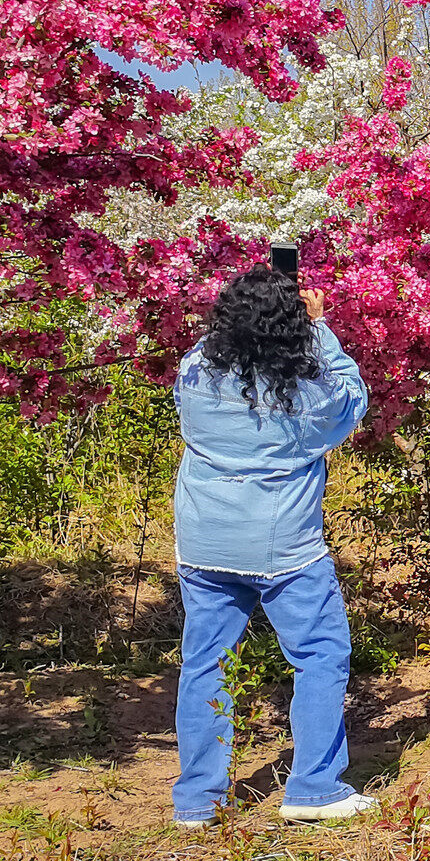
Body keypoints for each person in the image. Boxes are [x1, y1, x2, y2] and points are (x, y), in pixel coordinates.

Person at [170, 267, 373, 829]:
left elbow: (207, 351)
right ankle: (313, 787)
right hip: (286, 549)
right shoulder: (308, 399)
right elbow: (352, 397)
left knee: (204, 664)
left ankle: (198, 797)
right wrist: (319, 327)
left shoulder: (195, 374)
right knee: (319, 656)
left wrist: (255, 313)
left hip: (205, 542)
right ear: (294, 331)